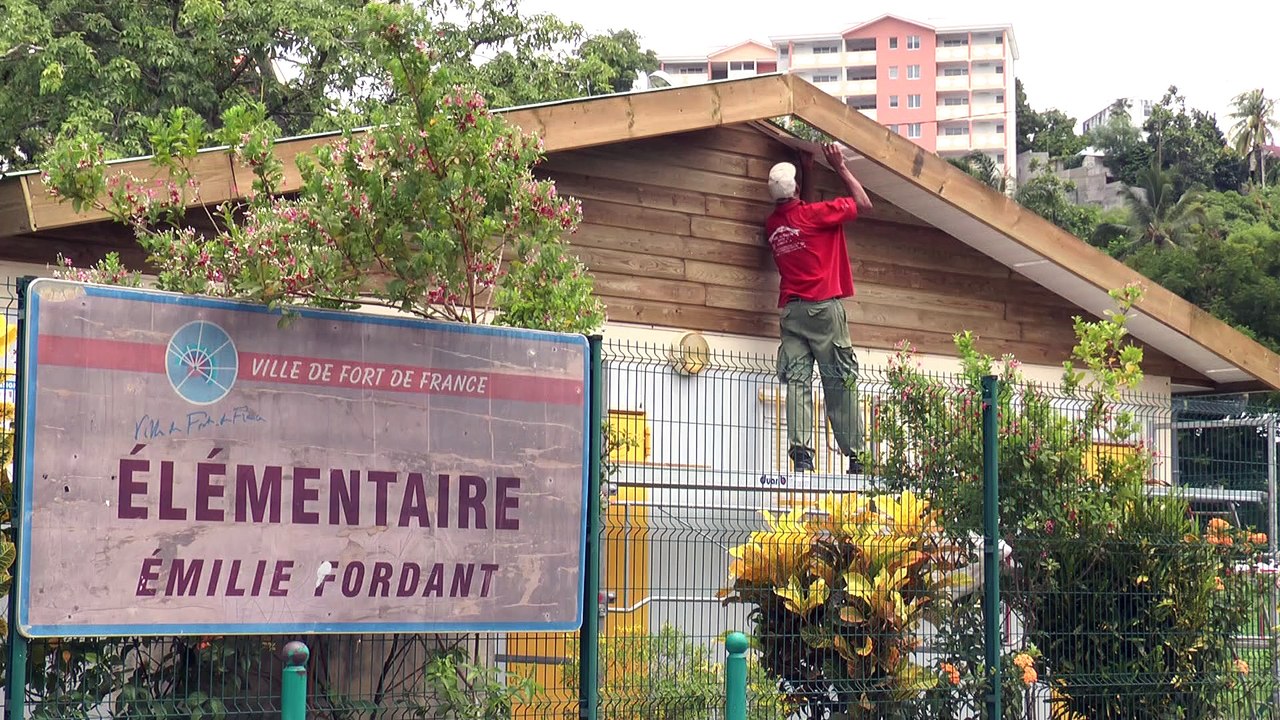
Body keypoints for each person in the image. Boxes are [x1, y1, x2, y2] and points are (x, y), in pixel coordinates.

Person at [765, 142, 873, 474]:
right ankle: (856, 458)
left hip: (792, 315)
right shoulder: (814, 216)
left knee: (798, 383)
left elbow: (798, 214)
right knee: (838, 381)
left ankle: (802, 456)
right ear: (796, 189)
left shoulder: (773, 227)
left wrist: (807, 171)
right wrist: (838, 165)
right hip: (823, 311)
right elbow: (863, 204)